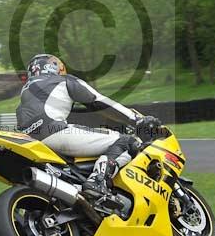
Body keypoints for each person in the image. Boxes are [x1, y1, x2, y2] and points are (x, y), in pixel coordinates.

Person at [16, 54, 160, 197]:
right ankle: (97, 181)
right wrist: (137, 119)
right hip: (55, 133)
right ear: (55, 67)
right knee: (127, 142)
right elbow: (98, 101)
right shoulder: (63, 80)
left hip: (30, 141)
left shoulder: (27, 89)